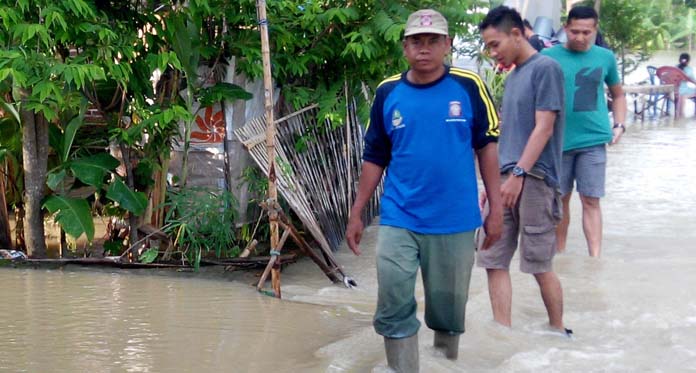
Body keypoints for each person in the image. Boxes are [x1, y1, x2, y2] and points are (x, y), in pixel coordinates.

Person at [344, 8, 503, 372]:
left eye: (433, 41)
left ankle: (445, 365)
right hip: (399, 216)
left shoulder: (469, 86)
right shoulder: (388, 92)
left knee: (448, 311)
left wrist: (497, 209)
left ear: (447, 44)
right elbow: (375, 155)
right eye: (417, 41)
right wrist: (357, 213)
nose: (425, 48)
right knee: (393, 304)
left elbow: (487, 148)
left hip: (455, 220)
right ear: (405, 47)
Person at [477, 5, 571, 336]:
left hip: (535, 179)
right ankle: (502, 334)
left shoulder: (546, 68)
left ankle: (558, 331)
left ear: (516, 34)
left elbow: (544, 127)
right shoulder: (514, 75)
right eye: (488, 46)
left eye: (495, 44)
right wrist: (491, 183)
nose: (492, 52)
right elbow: (509, 133)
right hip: (505, 178)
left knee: (538, 263)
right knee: (491, 258)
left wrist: (518, 174)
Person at [542, 5, 626, 258]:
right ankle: (560, 256)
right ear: (565, 28)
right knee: (561, 200)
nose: (580, 37)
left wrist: (619, 125)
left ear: (595, 30)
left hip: (594, 140)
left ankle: (595, 259)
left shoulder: (605, 57)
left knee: (591, 200)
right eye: (575, 31)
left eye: (586, 32)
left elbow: (618, 94)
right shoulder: (548, 58)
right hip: (558, 142)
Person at [676, 52, 696, 117]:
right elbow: (693, 80)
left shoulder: (675, 67)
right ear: (688, 61)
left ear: (679, 59)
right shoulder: (689, 69)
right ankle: (695, 115)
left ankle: (679, 115)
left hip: (675, 91)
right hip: (683, 91)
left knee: (682, 94)